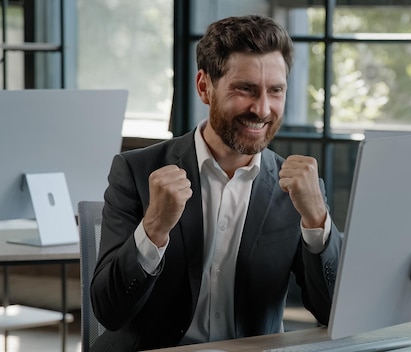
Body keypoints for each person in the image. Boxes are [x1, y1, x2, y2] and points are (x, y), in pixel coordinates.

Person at [90, 14, 342, 351]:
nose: (262, 108)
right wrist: (153, 229)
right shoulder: (136, 171)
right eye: (245, 89)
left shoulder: (299, 189)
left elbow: (333, 313)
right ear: (205, 87)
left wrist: (317, 221)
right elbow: (109, 311)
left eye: (276, 91)